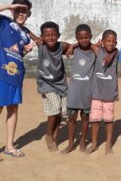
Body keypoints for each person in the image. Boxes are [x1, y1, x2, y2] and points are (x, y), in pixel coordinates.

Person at [0, 0, 36, 163]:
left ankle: (9, 146)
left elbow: (18, 54)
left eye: (24, 11)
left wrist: (26, 50)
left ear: (28, 14)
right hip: (1, 74)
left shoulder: (25, 34)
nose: (20, 13)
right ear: (12, 11)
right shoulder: (2, 22)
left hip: (17, 74)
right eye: (17, 10)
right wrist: (8, 6)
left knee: (13, 109)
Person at [36, 21, 72, 152]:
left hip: (61, 83)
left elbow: (69, 45)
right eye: (47, 35)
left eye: (53, 35)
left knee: (62, 112)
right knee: (55, 109)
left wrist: (70, 48)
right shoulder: (40, 45)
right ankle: (48, 135)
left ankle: (55, 136)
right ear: (42, 37)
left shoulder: (61, 46)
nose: (50, 37)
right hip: (46, 83)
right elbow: (29, 34)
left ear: (58, 35)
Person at [61, 24, 96, 154]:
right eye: (80, 38)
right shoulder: (73, 51)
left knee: (85, 118)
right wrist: (72, 45)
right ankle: (71, 144)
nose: (84, 40)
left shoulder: (94, 52)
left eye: (87, 37)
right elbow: (60, 44)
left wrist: (74, 44)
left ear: (91, 37)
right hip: (74, 92)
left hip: (87, 91)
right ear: (76, 38)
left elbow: (99, 47)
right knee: (72, 117)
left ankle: (82, 141)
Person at [86, 30, 119, 155]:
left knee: (109, 119)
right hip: (96, 92)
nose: (111, 43)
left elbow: (116, 50)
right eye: (108, 41)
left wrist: (111, 54)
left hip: (109, 94)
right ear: (103, 41)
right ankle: (94, 143)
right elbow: (86, 43)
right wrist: (97, 44)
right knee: (94, 119)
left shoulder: (116, 53)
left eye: (113, 41)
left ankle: (108, 144)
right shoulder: (98, 50)